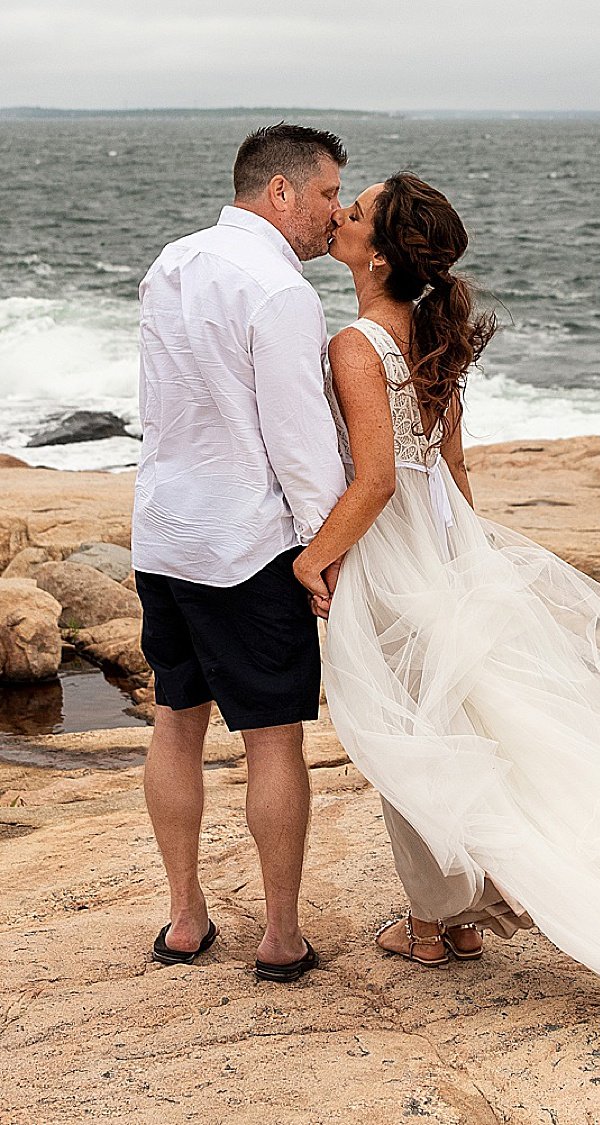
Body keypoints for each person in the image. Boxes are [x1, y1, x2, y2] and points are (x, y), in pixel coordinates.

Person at [295, 171, 600, 1066]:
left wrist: (315, 557)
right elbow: (451, 469)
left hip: (392, 559)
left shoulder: (355, 342)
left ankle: (432, 923)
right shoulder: (428, 330)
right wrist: (468, 561)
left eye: (354, 210)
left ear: (378, 252)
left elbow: (377, 478)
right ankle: (463, 918)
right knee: (456, 729)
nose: (338, 215)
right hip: (446, 548)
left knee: (407, 737)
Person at [135, 122, 348, 983]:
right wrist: (322, 551)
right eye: (330, 193)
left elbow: (160, 402)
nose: (337, 213)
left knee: (175, 722)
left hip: (165, 529)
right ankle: (282, 937)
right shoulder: (282, 291)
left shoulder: (170, 263)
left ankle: (185, 918)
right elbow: (300, 445)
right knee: (272, 742)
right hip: (247, 546)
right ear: (282, 192)